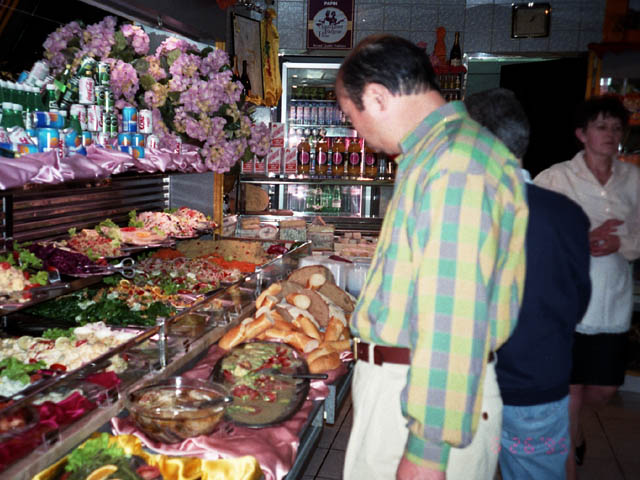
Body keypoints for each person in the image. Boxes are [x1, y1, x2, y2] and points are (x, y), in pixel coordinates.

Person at [336, 35, 529, 480]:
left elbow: (454, 314)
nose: (356, 132)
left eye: (351, 115)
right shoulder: (438, 153)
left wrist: (427, 451)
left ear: (377, 97)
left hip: (418, 401)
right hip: (406, 387)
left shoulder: (455, 164)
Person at [465, 88, 592, 480]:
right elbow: (578, 303)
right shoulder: (568, 214)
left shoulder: (460, 213)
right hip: (540, 381)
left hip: (467, 385)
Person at [534, 95, 640, 477]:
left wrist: (621, 242)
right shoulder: (555, 178)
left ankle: (574, 433)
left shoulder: (634, 180)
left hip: (613, 302)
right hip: (566, 302)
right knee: (571, 391)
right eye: (601, 127)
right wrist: (584, 238)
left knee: (604, 390)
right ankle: (568, 463)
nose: (610, 134)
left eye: (616, 128)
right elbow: (534, 231)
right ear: (582, 133)